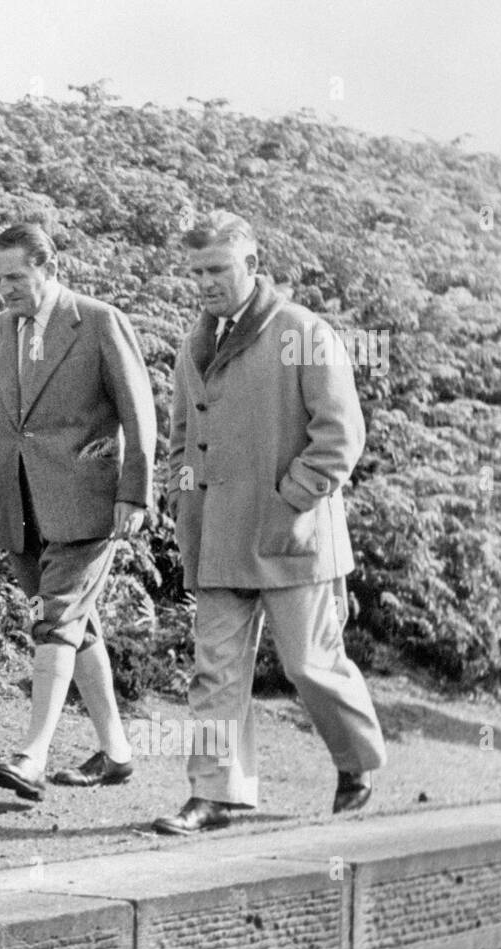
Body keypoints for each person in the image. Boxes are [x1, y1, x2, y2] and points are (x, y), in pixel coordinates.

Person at [155, 210, 386, 835]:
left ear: (252, 266)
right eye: (196, 271)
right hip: (217, 538)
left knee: (310, 665)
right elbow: (180, 440)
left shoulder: (304, 332)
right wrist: (184, 500)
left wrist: (293, 499)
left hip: (293, 536)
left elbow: (340, 436)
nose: (204, 282)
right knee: (214, 672)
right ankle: (215, 793)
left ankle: (358, 762)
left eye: (217, 269)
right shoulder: (193, 341)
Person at [0, 223, 157, 800]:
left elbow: (140, 415)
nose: (3, 289)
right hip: (20, 509)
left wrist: (134, 492)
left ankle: (32, 755)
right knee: (74, 624)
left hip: (89, 506)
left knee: (57, 619)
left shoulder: (99, 321)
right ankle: (116, 753)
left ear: (49, 268)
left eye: (15, 276)